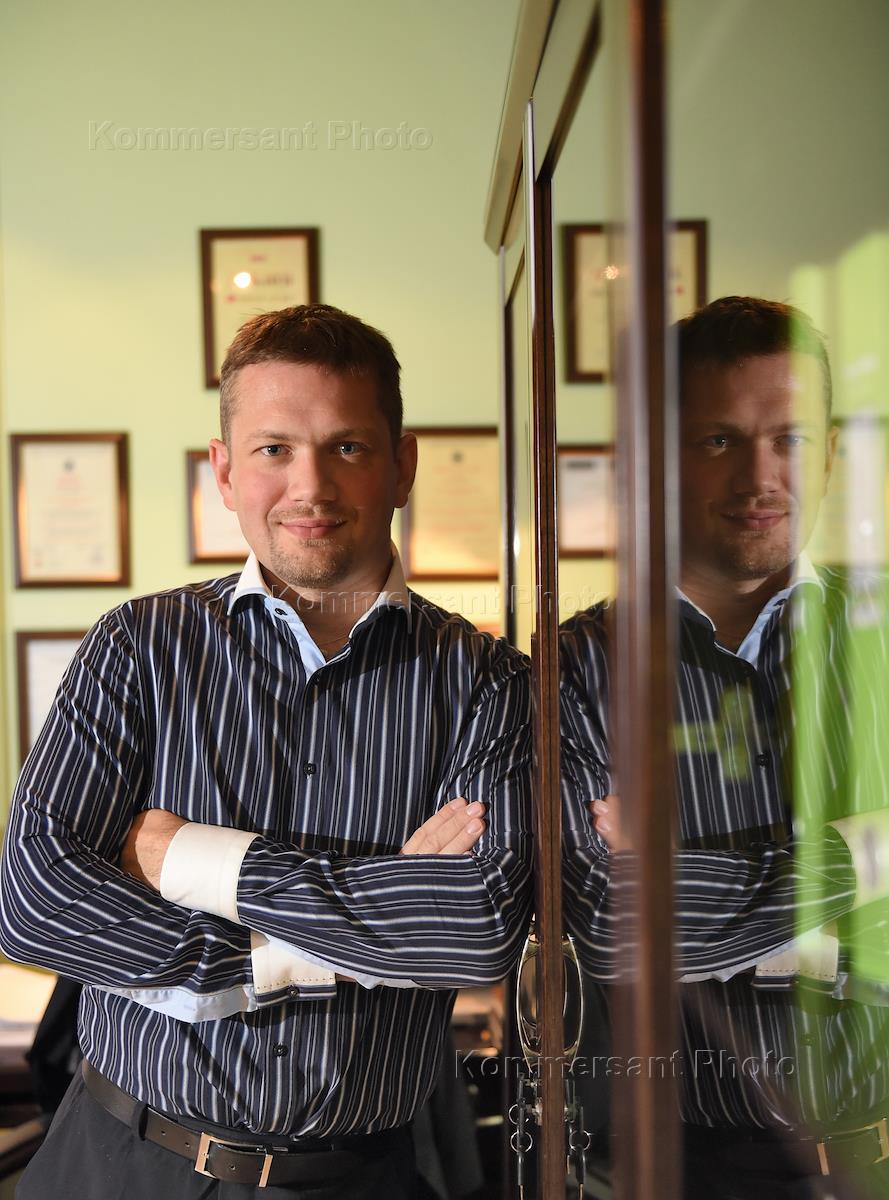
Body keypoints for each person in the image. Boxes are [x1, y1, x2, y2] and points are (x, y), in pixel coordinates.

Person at [0, 303, 533, 1199]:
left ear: (402, 465)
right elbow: (33, 900)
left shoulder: (492, 683)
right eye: (274, 449)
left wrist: (188, 859)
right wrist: (318, 945)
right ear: (224, 470)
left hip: (357, 1181)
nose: (309, 487)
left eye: (347, 447)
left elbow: (474, 927)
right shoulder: (138, 646)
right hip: (120, 1163)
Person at [561, 296, 889, 1199]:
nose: (759, 477)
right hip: (670, 1171)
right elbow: (615, 927)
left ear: (830, 453)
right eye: (718, 440)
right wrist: (869, 857)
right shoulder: (574, 666)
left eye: (791, 438)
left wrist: (694, 889)